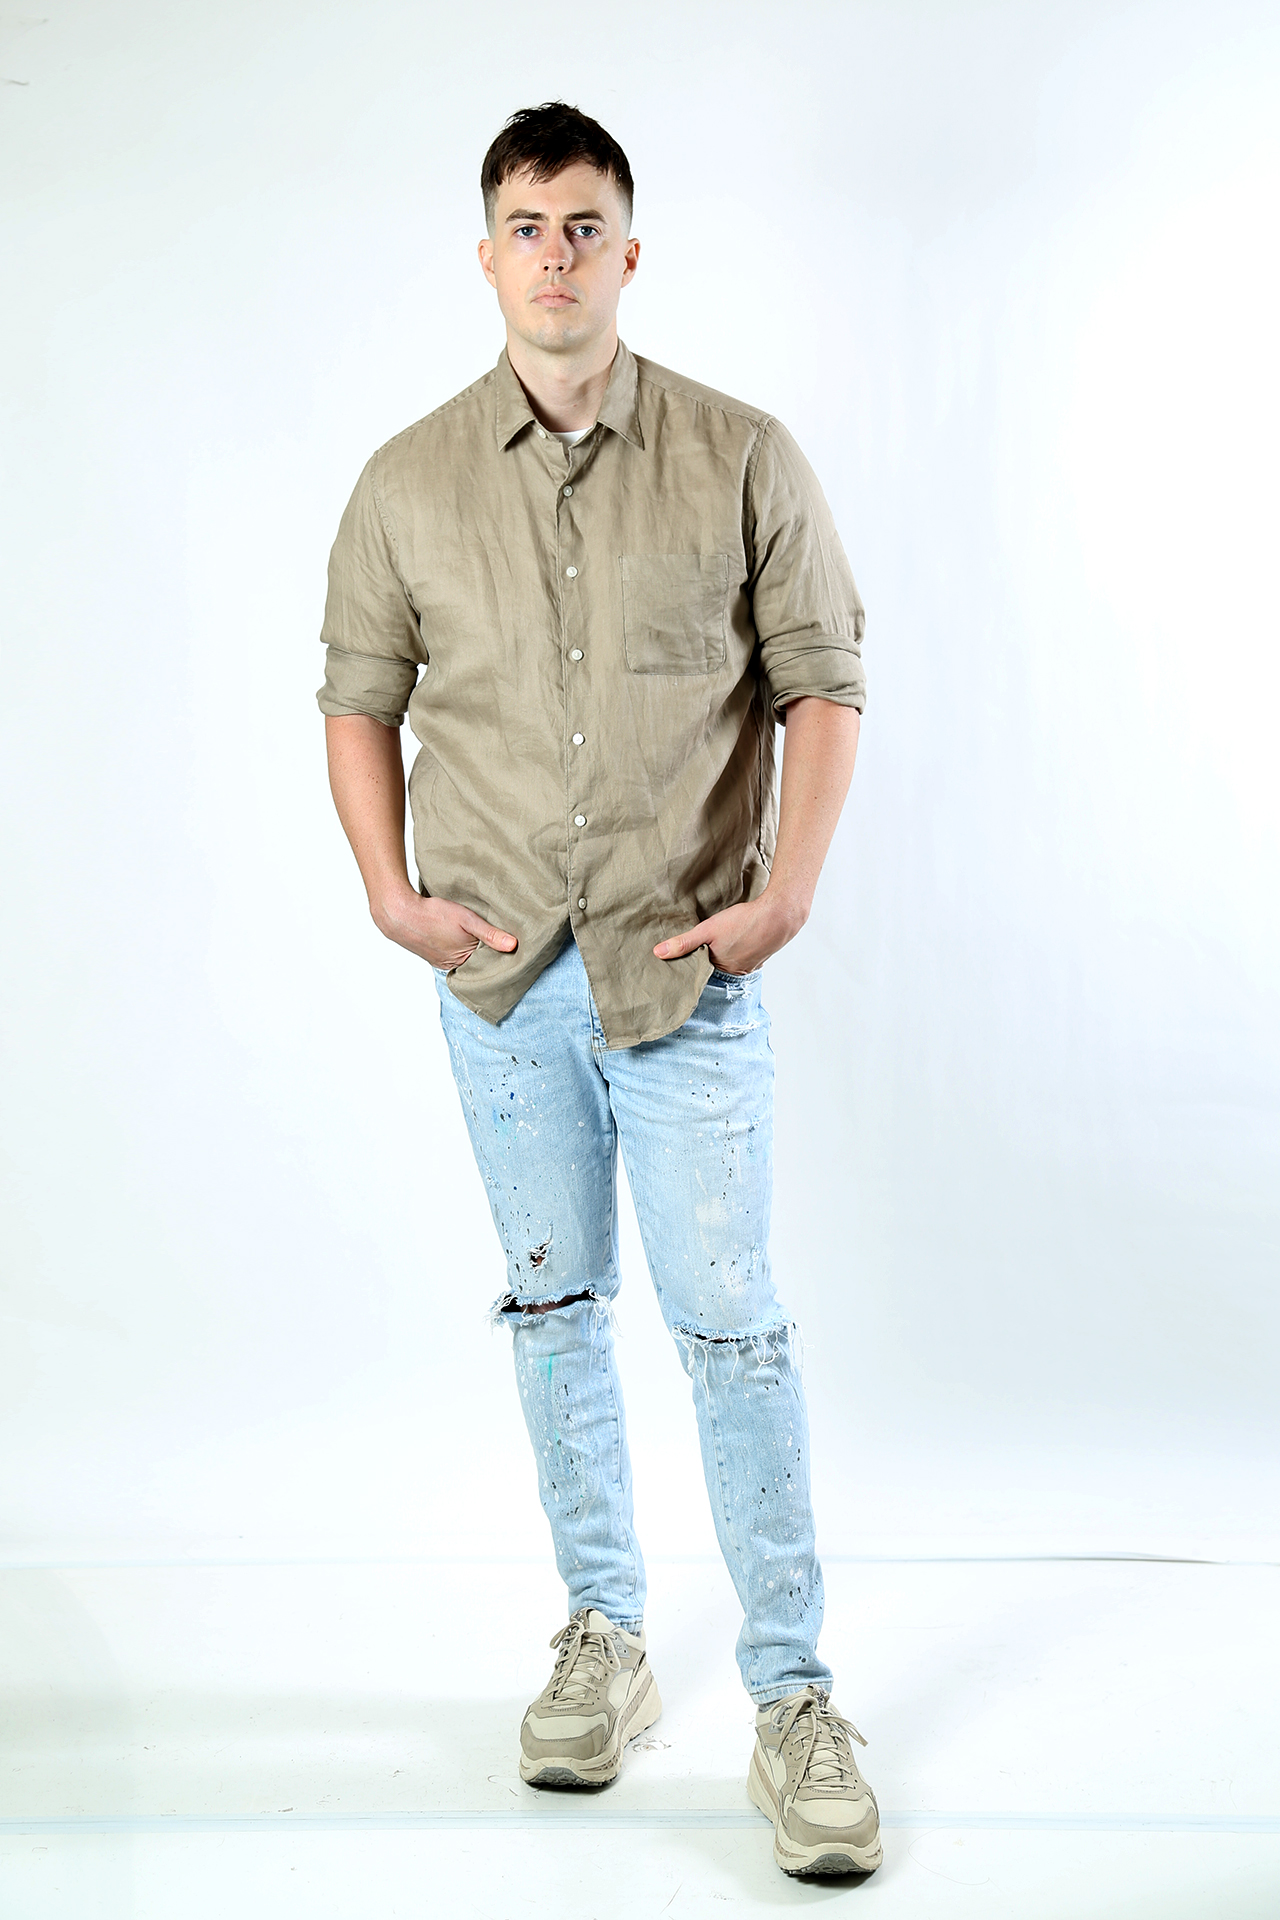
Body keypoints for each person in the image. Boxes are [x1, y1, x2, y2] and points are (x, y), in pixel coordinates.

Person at [318, 101, 880, 1879]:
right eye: (525, 226)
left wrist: (788, 892)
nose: (554, 255)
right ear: (484, 257)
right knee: (554, 1313)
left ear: (630, 253)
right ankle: (606, 1636)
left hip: (685, 973)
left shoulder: (741, 455)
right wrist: (390, 898)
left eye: (583, 226)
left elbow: (821, 682)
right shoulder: (406, 482)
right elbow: (357, 697)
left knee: (733, 1328)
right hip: (502, 993)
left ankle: (795, 1699)